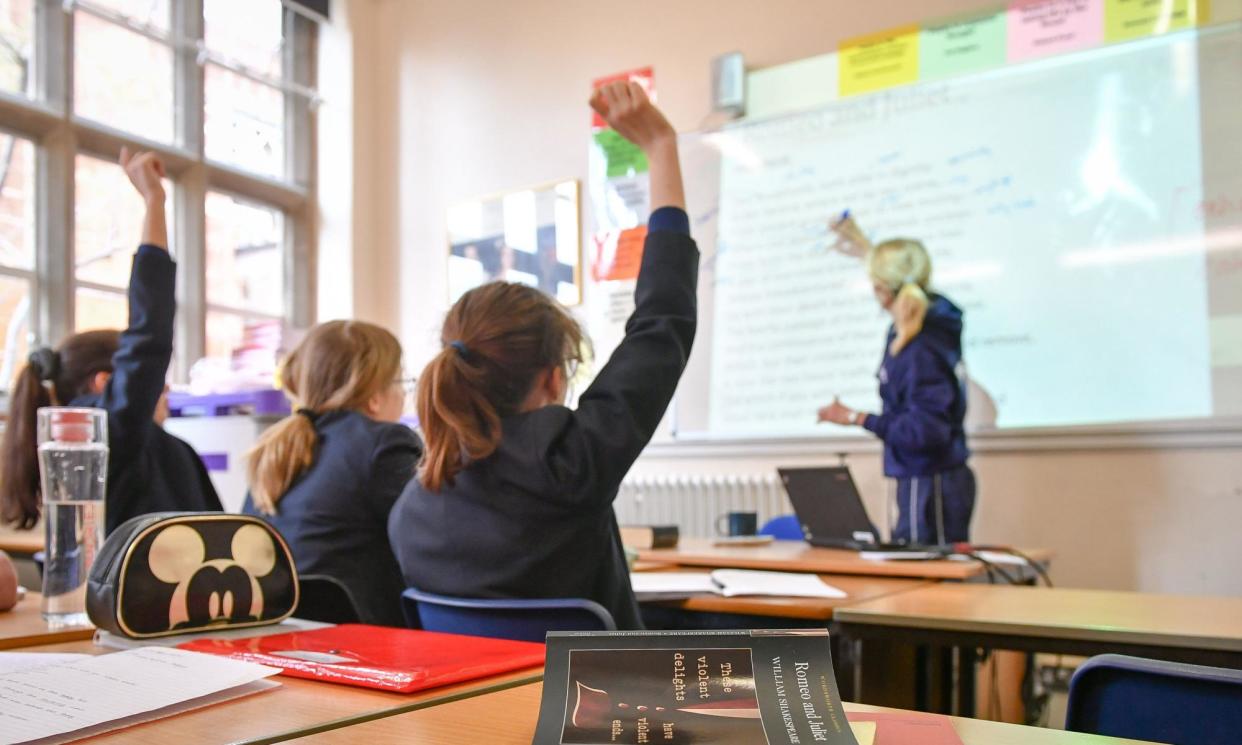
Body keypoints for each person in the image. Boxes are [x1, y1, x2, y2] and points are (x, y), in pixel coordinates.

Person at [388, 81, 697, 630]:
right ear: (553, 380)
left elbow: (660, 324)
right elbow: (662, 321)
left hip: (467, 717)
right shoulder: (573, 463)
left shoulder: (412, 506)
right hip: (600, 713)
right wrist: (661, 147)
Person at [0, 149, 221, 534]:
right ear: (104, 382)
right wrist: (155, 202)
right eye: (156, 380)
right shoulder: (102, 435)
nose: (163, 387)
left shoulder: (163, 449)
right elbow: (148, 334)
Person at [243, 321, 421, 627]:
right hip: (364, 638)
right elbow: (424, 544)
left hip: (282, 631)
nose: (403, 395)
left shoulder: (275, 449)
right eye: (401, 382)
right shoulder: (385, 442)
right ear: (375, 397)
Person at [817, 229, 975, 544]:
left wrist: (856, 418)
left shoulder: (920, 346)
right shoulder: (923, 327)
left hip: (930, 483)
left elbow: (925, 430)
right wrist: (863, 245)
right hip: (925, 478)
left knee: (926, 584)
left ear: (881, 287)